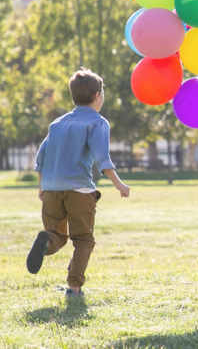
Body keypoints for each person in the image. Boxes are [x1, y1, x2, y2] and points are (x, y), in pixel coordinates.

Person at [27, 69, 130, 298]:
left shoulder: (57, 123)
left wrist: (42, 186)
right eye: (102, 92)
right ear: (96, 95)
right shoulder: (97, 122)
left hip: (52, 189)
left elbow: (40, 159)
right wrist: (120, 185)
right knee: (82, 239)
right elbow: (103, 160)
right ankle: (73, 288)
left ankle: (46, 242)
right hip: (79, 190)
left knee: (56, 235)